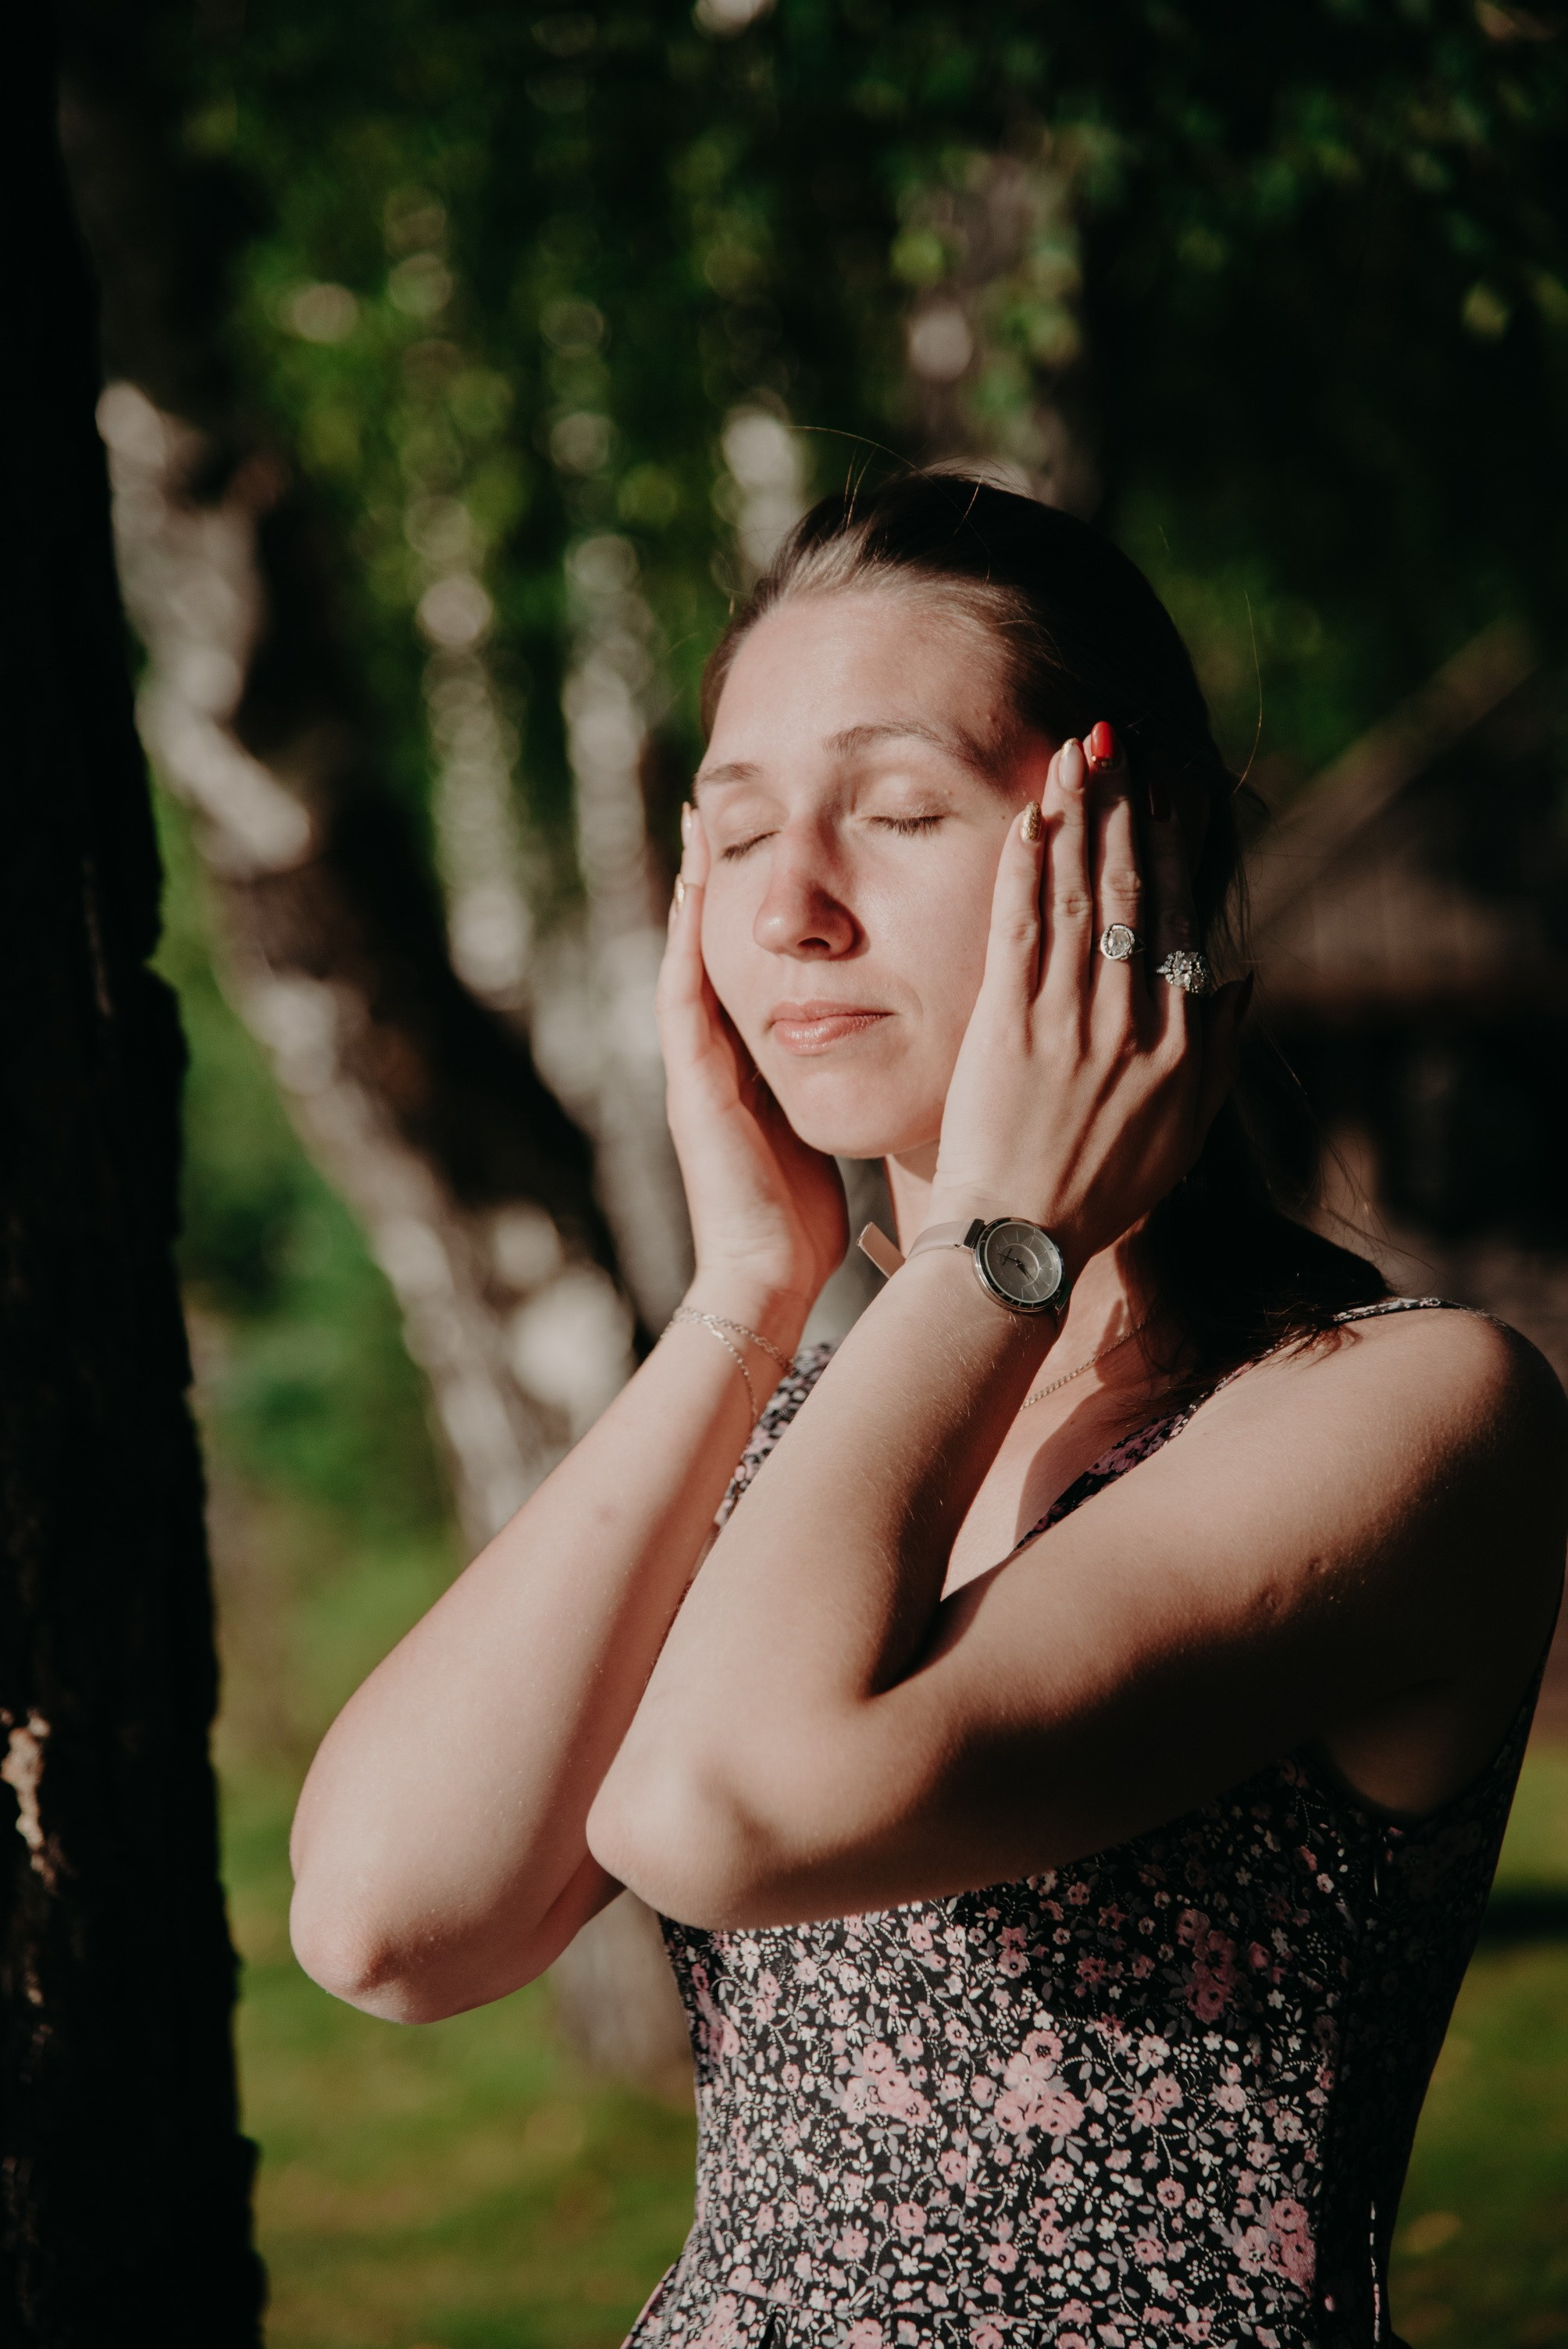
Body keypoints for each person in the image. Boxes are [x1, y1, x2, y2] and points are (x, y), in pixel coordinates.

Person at [288, 475, 1566, 2348]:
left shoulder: (1404, 1409)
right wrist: (739, 1307)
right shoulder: (820, 1426)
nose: (790, 909)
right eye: (730, 836)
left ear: (1142, 863)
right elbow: (389, 1920)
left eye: (894, 813)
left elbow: (723, 1803)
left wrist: (997, 1233)